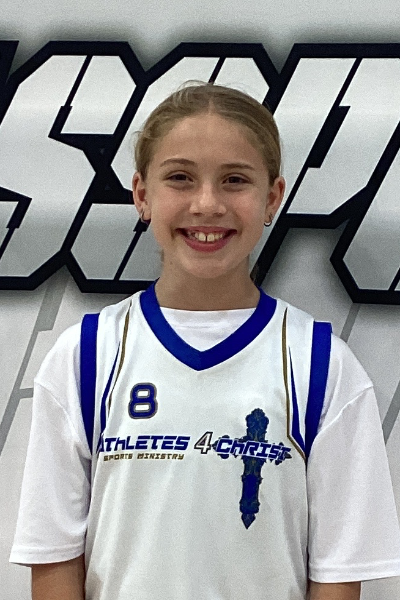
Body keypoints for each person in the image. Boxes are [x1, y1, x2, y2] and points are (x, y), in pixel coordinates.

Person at [10, 83, 400, 600]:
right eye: (180, 178)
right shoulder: (85, 356)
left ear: (272, 198)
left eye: (235, 180)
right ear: (142, 195)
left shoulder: (322, 364)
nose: (208, 204)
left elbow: (336, 576)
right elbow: (54, 560)